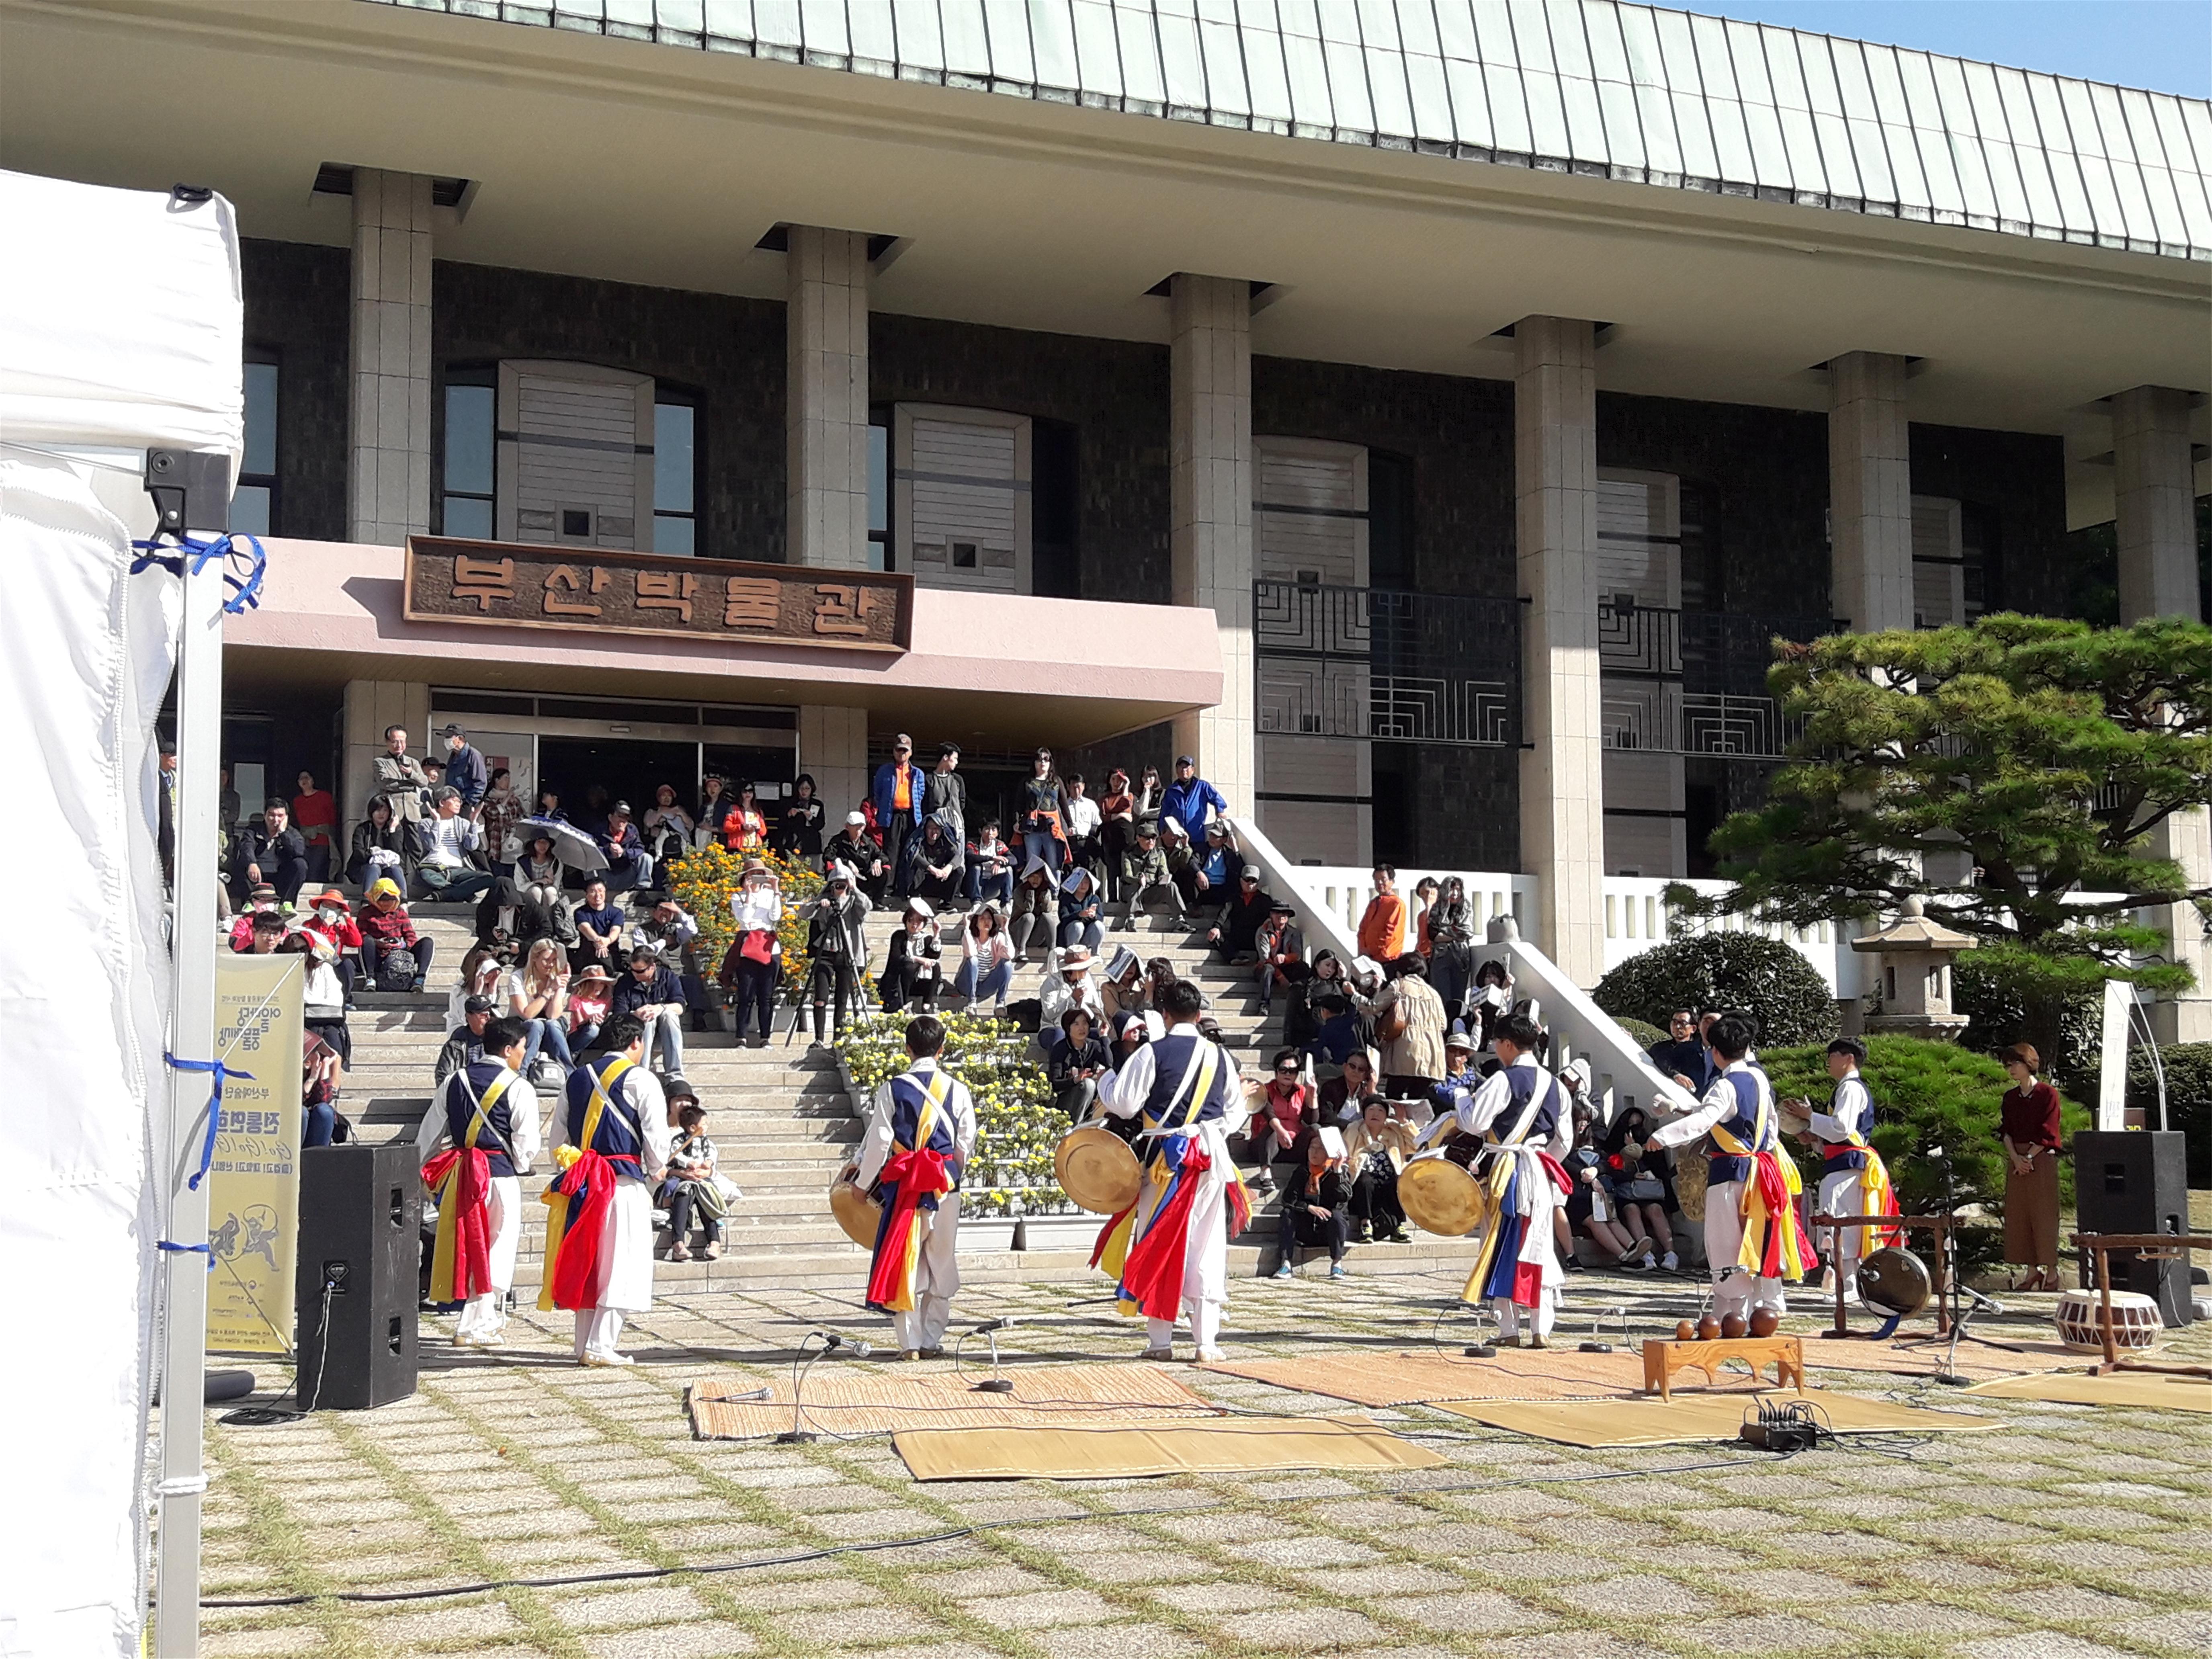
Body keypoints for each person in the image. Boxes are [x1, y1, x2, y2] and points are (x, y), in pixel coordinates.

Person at [1097, 979, 1251, 1361]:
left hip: (1164, 1160)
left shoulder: (1152, 1053)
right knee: (1207, 1245)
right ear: (1198, 1016)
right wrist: (1209, 1133)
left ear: (1164, 1015)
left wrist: (1106, 1080)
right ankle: (1206, 1343)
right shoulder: (1220, 1057)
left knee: (1160, 1241)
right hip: (1209, 1159)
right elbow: (1236, 1111)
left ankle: (1160, 1342)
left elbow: (1124, 1104)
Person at [1641, 1013, 1813, 1326]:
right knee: (1754, 1239)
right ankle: (1743, 1309)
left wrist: (1662, 1136)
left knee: (1724, 1243)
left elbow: (1705, 1119)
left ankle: (1732, 1311)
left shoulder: (1725, 1085)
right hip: (1760, 1170)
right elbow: (1769, 1125)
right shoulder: (1759, 1079)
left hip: (1729, 1173)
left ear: (1715, 1052)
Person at [1418, 1011, 1570, 1346]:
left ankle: (1508, 1329)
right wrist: (1543, 1161)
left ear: (1508, 1044)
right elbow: (1565, 1140)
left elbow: (1475, 1123)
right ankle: (1541, 1328)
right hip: (1538, 1171)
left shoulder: (1503, 1080)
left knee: (1499, 1243)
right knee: (1538, 1244)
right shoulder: (1557, 1085)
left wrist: (1461, 1098)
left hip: (1505, 1170)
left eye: (1497, 1043)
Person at [540, 1013, 672, 1366]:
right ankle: (601, 1345)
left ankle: (583, 1344)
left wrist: (570, 1168)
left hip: (583, 1183)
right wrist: (657, 1167)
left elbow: (558, 1139)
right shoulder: (642, 1079)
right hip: (621, 1182)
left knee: (590, 1261)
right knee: (622, 1263)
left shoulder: (576, 1078)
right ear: (636, 1042)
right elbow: (656, 1137)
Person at [855, 1014, 978, 1358]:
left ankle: (909, 1344)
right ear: (942, 1049)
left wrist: (862, 1184)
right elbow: (966, 1142)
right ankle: (931, 1340)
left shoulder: (892, 1089)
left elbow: (880, 1142)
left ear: (907, 1049)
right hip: (944, 1185)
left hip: (906, 1187)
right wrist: (949, 1173)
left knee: (904, 1258)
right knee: (942, 1259)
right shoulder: (958, 1090)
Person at [418, 1014, 540, 1347]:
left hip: (461, 1176)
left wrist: (425, 1173)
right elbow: (526, 1143)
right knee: (497, 1247)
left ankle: (479, 1318)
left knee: (466, 1244)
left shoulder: (453, 1081)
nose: (524, 1053)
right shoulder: (519, 1086)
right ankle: (476, 1323)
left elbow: (429, 1135)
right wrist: (520, 1163)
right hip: (499, 1176)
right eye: (522, 1047)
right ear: (508, 1049)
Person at [1802, 1037, 1900, 1299]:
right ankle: (1847, 1283)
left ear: (1849, 1058)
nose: (1829, 1062)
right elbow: (1841, 1134)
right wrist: (1814, 1138)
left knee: (1842, 1220)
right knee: (1839, 1219)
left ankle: (1850, 1284)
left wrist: (1810, 1117)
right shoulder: (1846, 1088)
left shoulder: (1851, 1088)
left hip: (1848, 1164)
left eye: (1833, 1057)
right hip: (1843, 1161)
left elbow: (1842, 1128)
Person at [1999, 1043, 2064, 1292]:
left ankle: (2052, 1271)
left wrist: (2027, 1157)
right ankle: (2031, 1270)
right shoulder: (2010, 1097)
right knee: (2019, 1215)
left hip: (2041, 1159)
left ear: (2028, 1063)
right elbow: (2006, 1131)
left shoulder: (2048, 1094)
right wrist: (2016, 1159)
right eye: (2008, 1065)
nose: (2011, 1069)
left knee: (2044, 1215)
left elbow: (2050, 1132)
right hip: (2017, 1160)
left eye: (2015, 1063)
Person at [1600, 1094, 1675, 1270]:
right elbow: (1612, 1169)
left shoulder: (1652, 1146)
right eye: (1630, 1125)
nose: (1634, 1130)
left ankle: (1671, 1253)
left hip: (1649, 1192)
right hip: (1626, 1193)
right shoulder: (1614, 1145)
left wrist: (1641, 1155)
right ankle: (1645, 1253)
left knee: (1656, 1210)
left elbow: (1660, 1169)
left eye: (1638, 1125)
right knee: (1632, 1210)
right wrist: (1630, 1152)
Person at [657, 1088, 728, 1263]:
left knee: (706, 1199)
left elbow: (713, 1153)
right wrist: (688, 1163)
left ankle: (714, 1242)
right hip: (684, 1179)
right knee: (683, 1195)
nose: (707, 1127)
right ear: (692, 1128)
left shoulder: (706, 1142)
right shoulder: (679, 1140)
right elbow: (675, 1155)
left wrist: (708, 1164)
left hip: (701, 1179)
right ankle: (678, 1244)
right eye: (704, 1124)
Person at [1273, 1127, 1352, 1280]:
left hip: (1328, 1230)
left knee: (1337, 1216)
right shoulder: (1302, 1172)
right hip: (1306, 1229)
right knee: (1287, 1214)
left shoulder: (1338, 1173)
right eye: (1312, 1148)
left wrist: (1337, 1172)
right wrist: (1309, 1208)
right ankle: (1286, 1264)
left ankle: (1337, 1264)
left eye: (1320, 1149)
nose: (1314, 1152)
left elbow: (1344, 1197)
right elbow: (1288, 1199)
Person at [805, 865, 870, 1044]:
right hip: (825, 953)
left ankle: (838, 1038)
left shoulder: (854, 901)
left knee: (842, 998)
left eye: (843, 885)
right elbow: (803, 913)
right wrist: (819, 904)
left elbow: (867, 908)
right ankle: (819, 1039)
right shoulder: (825, 900)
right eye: (836, 885)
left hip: (847, 953)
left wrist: (854, 888)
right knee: (821, 997)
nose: (840, 888)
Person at [722, 859, 783, 1045]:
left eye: (761, 874)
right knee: (746, 995)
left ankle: (765, 1038)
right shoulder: (738, 896)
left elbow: (775, 917)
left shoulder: (769, 894)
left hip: (768, 947)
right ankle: (741, 1037)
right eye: (754, 874)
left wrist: (776, 891)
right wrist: (749, 894)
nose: (758, 878)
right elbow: (745, 919)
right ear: (746, 877)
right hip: (748, 947)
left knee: (766, 997)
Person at [1371, 954, 1446, 1098]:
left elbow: (1373, 1006)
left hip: (1405, 1052)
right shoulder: (1434, 993)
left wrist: (1355, 996)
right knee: (1416, 1102)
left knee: (1394, 1097)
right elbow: (1443, 1025)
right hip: (1432, 1057)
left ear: (1400, 972)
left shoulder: (1399, 985)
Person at [1344, 1098, 1415, 1243]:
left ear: (1386, 1116)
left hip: (1388, 1175)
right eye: (1371, 1110)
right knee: (1365, 1182)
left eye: (1380, 1111)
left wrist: (1404, 1122)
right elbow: (1345, 1152)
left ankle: (1398, 1226)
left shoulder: (1394, 1130)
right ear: (1364, 1114)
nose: (1375, 1114)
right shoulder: (1354, 1129)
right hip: (1362, 1176)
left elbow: (1416, 1145)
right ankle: (1366, 1225)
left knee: (1397, 1182)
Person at [1244, 1047, 1311, 1198]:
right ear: (1276, 1072)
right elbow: (1268, 1112)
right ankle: (1265, 1172)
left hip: (1291, 1145)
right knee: (1273, 1127)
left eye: (1293, 1071)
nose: (1288, 1074)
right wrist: (1281, 1131)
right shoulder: (1264, 1090)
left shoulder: (1302, 1091)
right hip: (1264, 1147)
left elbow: (1311, 1120)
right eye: (1283, 1070)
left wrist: (1312, 1097)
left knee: (1315, 1129)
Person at [507, 938, 576, 1080]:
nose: (550, 965)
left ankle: (570, 1071)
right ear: (534, 958)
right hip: (522, 1026)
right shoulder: (517, 978)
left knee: (553, 1024)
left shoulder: (555, 979)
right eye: (546, 960)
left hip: (548, 1029)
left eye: (554, 960)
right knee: (536, 1024)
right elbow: (527, 1014)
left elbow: (553, 1016)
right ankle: (523, 1071)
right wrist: (549, 990)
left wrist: (559, 989)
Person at [611, 946, 686, 1075]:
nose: (635, 974)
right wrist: (636, 1015)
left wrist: (661, 1008)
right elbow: (619, 1015)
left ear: (653, 967)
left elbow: (680, 1007)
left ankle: (675, 1073)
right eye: (632, 970)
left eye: (640, 971)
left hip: (666, 1033)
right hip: (639, 1035)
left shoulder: (668, 977)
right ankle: (642, 1071)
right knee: (647, 1018)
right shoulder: (625, 982)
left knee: (669, 1015)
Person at [416, 788, 494, 901]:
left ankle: (445, 894)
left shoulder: (463, 823)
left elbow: (472, 846)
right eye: (455, 800)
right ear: (442, 802)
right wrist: (437, 822)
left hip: (458, 870)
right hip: (434, 868)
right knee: (425, 875)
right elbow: (430, 845)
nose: (459, 804)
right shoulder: (426, 823)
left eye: (460, 801)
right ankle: (464, 894)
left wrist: (473, 824)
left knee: (488, 878)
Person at [357, 877, 433, 991]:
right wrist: (378, 943)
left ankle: (419, 979)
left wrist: (402, 945)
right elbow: (361, 934)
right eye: (383, 900)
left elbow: (411, 936)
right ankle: (370, 978)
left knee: (427, 942)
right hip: (377, 954)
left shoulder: (400, 913)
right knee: (367, 940)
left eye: (391, 900)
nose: (387, 903)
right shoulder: (366, 913)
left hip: (399, 955)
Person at [871, 734, 923, 895]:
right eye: (899, 750)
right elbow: (878, 792)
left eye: (905, 751)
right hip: (892, 816)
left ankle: (905, 889)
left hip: (911, 817)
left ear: (911, 752)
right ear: (894, 751)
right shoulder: (884, 771)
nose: (902, 754)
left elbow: (921, 794)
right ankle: (888, 889)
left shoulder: (918, 773)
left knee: (909, 852)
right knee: (891, 852)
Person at [231, 799, 309, 905]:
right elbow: (246, 847)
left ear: (286, 818)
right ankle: (249, 902)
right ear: (265, 816)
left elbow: (299, 852)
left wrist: (283, 833)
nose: (276, 820)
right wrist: (252, 863)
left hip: (280, 878)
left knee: (301, 864)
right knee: (242, 862)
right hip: (257, 877)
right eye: (272, 815)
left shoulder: (292, 833)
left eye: (280, 816)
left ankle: (287, 903)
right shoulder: (253, 831)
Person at [297, 887, 363, 1004]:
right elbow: (310, 943)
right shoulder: (309, 925)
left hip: (334, 965)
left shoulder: (340, 928)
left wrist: (348, 919)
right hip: (314, 964)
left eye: (333, 907)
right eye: (326, 906)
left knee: (348, 965)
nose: (329, 910)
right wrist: (324, 927)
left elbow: (357, 942)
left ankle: (346, 999)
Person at [504, 830, 571, 945]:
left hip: (550, 896)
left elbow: (557, 885)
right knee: (536, 891)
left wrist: (551, 880)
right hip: (528, 894)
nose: (543, 846)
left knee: (550, 891)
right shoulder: (523, 862)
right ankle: (533, 927)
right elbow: (519, 886)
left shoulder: (556, 862)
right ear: (533, 844)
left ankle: (549, 928)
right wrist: (537, 882)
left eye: (546, 842)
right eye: (539, 842)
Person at [1047, 1007, 1112, 1121]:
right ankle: (1076, 1125)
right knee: (1088, 1084)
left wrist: (1104, 1037)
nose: (1082, 1028)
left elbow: (1110, 1064)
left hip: (1089, 1099)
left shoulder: (1093, 1046)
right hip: (1066, 1100)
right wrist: (1076, 1080)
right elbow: (1054, 1083)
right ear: (1068, 1028)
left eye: (1085, 1023)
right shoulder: (1060, 1049)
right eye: (1076, 1024)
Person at [879, 898, 943, 1013]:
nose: (915, 924)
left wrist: (937, 934)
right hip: (900, 981)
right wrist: (919, 959)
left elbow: (935, 956)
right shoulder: (899, 936)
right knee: (909, 965)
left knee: (935, 966)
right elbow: (896, 958)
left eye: (919, 921)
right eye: (911, 920)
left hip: (920, 981)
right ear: (906, 921)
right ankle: (904, 1005)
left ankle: (927, 1004)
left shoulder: (927, 938)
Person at [1117, 821, 1180, 930]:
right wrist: (1138, 879)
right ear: (1138, 838)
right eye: (1147, 838)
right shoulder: (1128, 853)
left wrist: (1164, 878)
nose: (1151, 841)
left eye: (1153, 838)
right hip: (1133, 892)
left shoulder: (1159, 853)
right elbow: (1127, 876)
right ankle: (1130, 919)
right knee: (1136, 885)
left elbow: (1164, 871)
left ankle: (1180, 919)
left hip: (1151, 891)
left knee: (1172, 886)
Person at [1426, 877, 1477, 1015]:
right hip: (1440, 957)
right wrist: (1454, 935)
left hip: (1461, 958)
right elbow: (1433, 935)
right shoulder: (1437, 909)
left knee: (1459, 998)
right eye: (1451, 890)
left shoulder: (1466, 907)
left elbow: (1467, 932)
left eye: (1458, 890)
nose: (1454, 894)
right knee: (1441, 997)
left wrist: (1445, 932)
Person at [952, 902, 1014, 1011]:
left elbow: (1010, 955)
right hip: (966, 985)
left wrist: (1006, 931)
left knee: (1008, 964)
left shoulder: (998, 937)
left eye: (989, 919)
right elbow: (970, 953)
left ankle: (1000, 1003)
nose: (986, 921)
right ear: (976, 923)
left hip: (986, 985)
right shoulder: (970, 936)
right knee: (973, 960)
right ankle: (972, 1002)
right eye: (982, 919)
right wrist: (967, 928)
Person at [1174, 819, 1243, 914]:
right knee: (1186, 874)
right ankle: (1195, 908)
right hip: (1203, 886)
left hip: (1221, 888)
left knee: (1236, 882)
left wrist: (1235, 848)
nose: (1212, 838)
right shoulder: (1202, 848)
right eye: (1211, 835)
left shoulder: (1228, 853)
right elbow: (1193, 862)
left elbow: (1239, 868)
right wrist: (1199, 873)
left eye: (1216, 837)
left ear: (1224, 840)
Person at [1157, 753, 1227, 844]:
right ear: (1177, 770)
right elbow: (1164, 812)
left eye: (1187, 767)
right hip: (1177, 839)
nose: (1184, 770)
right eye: (1181, 767)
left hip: (1197, 837)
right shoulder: (1171, 791)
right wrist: (1162, 830)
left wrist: (1220, 811)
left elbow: (1217, 798)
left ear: (1193, 770)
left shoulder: (1202, 786)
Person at [1017, 747, 1068, 872]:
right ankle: (1032, 885)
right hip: (1032, 827)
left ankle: (1055, 885)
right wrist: (1016, 821)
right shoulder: (1027, 782)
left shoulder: (1056, 781)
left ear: (1051, 763)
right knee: (1032, 862)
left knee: (1054, 863)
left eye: (1046, 759)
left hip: (1052, 827)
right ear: (1034, 763)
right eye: (1040, 760)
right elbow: (1019, 803)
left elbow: (1064, 804)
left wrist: (1070, 824)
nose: (1043, 762)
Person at [1206, 866, 1271, 963]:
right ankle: (1233, 958)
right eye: (1247, 880)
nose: (1250, 883)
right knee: (1215, 935)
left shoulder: (1265, 900)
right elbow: (1224, 914)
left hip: (1255, 937)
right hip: (1237, 936)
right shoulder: (1234, 898)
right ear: (1241, 880)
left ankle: (1262, 962)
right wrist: (1217, 927)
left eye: (1254, 881)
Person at [1252, 900, 1305, 1018]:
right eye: (1278, 913)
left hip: (1286, 967)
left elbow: (1297, 954)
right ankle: (1264, 1004)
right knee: (1268, 969)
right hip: (1266, 968)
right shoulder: (1263, 931)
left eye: (1285, 913)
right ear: (1271, 915)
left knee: (1303, 968)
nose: (1281, 916)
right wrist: (1280, 976)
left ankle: (1303, 1002)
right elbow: (1265, 958)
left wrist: (1286, 958)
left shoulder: (1294, 932)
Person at [1647, 1008, 1715, 1097]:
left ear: (1693, 1029)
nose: (1678, 1026)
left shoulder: (1702, 1052)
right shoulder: (1659, 1048)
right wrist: (1676, 1074)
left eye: (1683, 1023)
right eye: (1675, 1022)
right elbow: (1658, 1059)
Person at [825, 811, 887, 906]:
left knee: (883, 873)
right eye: (855, 826)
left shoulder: (868, 841)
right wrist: (847, 863)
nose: (859, 829)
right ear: (847, 827)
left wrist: (878, 861)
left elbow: (882, 855)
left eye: (861, 826)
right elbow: (828, 856)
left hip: (865, 876)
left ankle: (876, 902)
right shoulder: (838, 841)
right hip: (847, 877)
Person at [435, 994, 496, 1086]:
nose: (489, 1018)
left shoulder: (500, 1040)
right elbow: (443, 1077)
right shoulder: (456, 1044)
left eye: (490, 1013)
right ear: (469, 1017)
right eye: (484, 1014)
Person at [374, 725, 430, 824]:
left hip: (413, 812)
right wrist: (411, 785)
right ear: (387, 742)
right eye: (395, 742)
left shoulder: (413, 762)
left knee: (414, 834)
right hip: (393, 810)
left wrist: (411, 774)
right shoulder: (381, 762)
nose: (399, 745)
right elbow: (385, 783)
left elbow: (424, 782)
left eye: (403, 741)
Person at [290, 771, 338, 884]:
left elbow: (333, 818)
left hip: (322, 840)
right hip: (304, 840)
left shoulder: (325, 797)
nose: (304, 781)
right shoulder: (297, 801)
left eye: (307, 778)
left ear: (312, 781)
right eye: (301, 779)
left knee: (315, 871)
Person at [597, 801, 655, 895]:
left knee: (647, 858)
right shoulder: (600, 830)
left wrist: (624, 852)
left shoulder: (632, 830)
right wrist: (609, 851)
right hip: (605, 877)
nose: (623, 821)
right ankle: (592, 890)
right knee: (589, 856)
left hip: (627, 876)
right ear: (610, 817)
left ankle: (643, 893)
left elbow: (640, 849)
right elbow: (593, 849)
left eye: (626, 817)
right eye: (620, 816)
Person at [570, 878, 626, 975]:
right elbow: (586, 928)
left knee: (607, 956)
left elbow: (616, 930)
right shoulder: (580, 912)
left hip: (611, 949)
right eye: (593, 892)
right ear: (587, 895)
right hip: (588, 951)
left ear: (605, 892)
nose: (598, 895)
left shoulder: (617, 912)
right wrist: (598, 941)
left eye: (600, 891)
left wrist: (607, 941)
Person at [911, 812, 967, 907]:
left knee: (959, 870)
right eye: (931, 828)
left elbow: (958, 856)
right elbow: (915, 857)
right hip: (923, 883)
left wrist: (949, 868)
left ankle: (946, 902)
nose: (934, 831)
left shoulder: (946, 843)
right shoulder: (919, 843)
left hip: (940, 880)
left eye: (937, 828)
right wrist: (932, 869)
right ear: (925, 829)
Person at [1098, 767, 1137, 901]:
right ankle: (1112, 900)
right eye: (1114, 779)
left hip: (1126, 837)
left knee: (1126, 868)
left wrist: (1126, 787)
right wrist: (1120, 815)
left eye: (1120, 780)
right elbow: (1104, 817)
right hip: (1110, 837)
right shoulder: (1105, 798)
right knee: (1112, 869)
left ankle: (1126, 899)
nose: (1116, 783)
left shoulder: (1129, 795)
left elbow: (1126, 805)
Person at [1008, 853, 1058, 956]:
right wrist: (1031, 893)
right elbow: (1028, 908)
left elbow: (1047, 910)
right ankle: (1021, 950)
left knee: (1048, 917)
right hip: (1018, 931)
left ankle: (1052, 951)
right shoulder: (1019, 891)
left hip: (1035, 935)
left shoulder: (1045, 891)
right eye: (1033, 877)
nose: (1036, 880)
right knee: (1029, 917)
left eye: (1039, 877)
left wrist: (1044, 896)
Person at [1318, 1047, 1382, 1125]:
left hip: (1361, 1131)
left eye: (1361, 1069)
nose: (1356, 1071)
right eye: (1352, 1066)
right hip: (1338, 1129)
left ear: (1366, 1075)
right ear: (1345, 1067)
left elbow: (1378, 1119)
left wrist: (1372, 1093)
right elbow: (1327, 1119)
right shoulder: (1330, 1088)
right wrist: (1352, 1127)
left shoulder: (1365, 1092)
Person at [1357, 866, 1408, 963]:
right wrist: (1363, 950)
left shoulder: (1396, 904)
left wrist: (1370, 950)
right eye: (1376, 880)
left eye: (1383, 879)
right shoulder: (1374, 903)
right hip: (1369, 958)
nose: (1379, 883)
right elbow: (1363, 930)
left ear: (1392, 882)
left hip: (1387, 958)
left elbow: (1390, 934)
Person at [921, 742, 967, 841]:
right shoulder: (929, 779)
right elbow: (925, 804)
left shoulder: (957, 779)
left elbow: (962, 802)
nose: (957, 762)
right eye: (955, 759)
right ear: (946, 758)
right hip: (935, 828)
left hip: (956, 828)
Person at [480, 768, 525, 867]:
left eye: (509, 778)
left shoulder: (514, 800)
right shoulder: (489, 800)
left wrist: (517, 821)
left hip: (512, 844)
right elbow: (493, 814)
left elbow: (523, 817)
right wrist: (507, 797)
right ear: (497, 780)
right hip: (496, 843)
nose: (508, 781)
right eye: (505, 778)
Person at [963, 819, 1014, 907]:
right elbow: (970, 857)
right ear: (981, 831)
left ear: (997, 833)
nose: (990, 833)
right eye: (987, 829)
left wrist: (999, 863)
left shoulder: (1000, 845)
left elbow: (1013, 859)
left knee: (1009, 869)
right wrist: (992, 858)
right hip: (976, 884)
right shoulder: (973, 844)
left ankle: (1007, 903)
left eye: (994, 830)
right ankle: (976, 902)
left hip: (992, 884)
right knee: (976, 868)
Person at [643, 784, 696, 866]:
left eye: (669, 796)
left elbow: (691, 826)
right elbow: (649, 823)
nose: (667, 798)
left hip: (678, 853)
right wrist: (661, 812)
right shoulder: (652, 812)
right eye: (664, 795)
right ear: (658, 798)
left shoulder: (678, 810)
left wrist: (681, 814)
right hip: (660, 855)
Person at [566, 963, 614, 1055]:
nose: (598, 987)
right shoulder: (576, 999)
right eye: (595, 983)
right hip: (579, 1034)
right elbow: (580, 1023)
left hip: (599, 1035)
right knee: (593, 1030)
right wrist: (589, 1020)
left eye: (602, 983)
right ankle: (573, 1054)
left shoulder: (606, 1001)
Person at [1057, 863, 1105, 952]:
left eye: (1086, 883)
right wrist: (1079, 915)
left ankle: (1095, 953)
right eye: (1080, 883)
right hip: (1071, 934)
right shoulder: (1066, 898)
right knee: (1078, 926)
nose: (1083, 885)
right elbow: (1064, 918)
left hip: (1088, 934)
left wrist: (1093, 916)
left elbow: (1101, 917)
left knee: (1099, 926)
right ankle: (1072, 952)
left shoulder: (1094, 898)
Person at [776, 774, 825, 858]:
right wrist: (789, 815)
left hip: (812, 844)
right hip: (794, 843)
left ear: (812, 789)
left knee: (813, 866)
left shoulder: (817, 804)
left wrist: (811, 818)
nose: (804, 792)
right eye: (802, 788)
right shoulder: (790, 804)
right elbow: (781, 824)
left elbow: (820, 825)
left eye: (807, 789)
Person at [1062, 772, 1102, 870]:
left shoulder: (1090, 804)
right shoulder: (1064, 806)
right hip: (1070, 843)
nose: (1077, 791)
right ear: (1068, 787)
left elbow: (1097, 824)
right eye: (1074, 787)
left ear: (1083, 786)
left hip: (1086, 842)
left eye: (1079, 787)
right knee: (1069, 871)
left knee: (1088, 871)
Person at [719, 782, 769, 854]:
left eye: (751, 791)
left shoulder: (758, 811)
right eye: (745, 791)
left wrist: (758, 828)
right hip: (738, 848)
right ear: (740, 793)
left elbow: (764, 832)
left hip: (755, 848)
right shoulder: (734, 808)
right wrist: (742, 827)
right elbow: (726, 827)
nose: (748, 794)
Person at [695, 775, 736, 849]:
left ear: (721, 789)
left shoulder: (726, 806)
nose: (712, 789)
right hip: (702, 841)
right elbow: (697, 823)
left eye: (715, 786)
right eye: (709, 786)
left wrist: (712, 829)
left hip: (718, 843)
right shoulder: (703, 807)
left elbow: (729, 828)